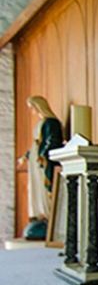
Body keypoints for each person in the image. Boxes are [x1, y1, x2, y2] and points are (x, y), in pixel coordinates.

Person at [17, 96, 63, 239]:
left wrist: (42, 156)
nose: (32, 110)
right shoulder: (42, 122)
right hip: (36, 163)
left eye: (33, 107)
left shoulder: (51, 122)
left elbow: (53, 141)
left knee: (44, 190)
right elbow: (37, 143)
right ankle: (41, 216)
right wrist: (26, 156)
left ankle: (48, 216)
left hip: (43, 162)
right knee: (36, 189)